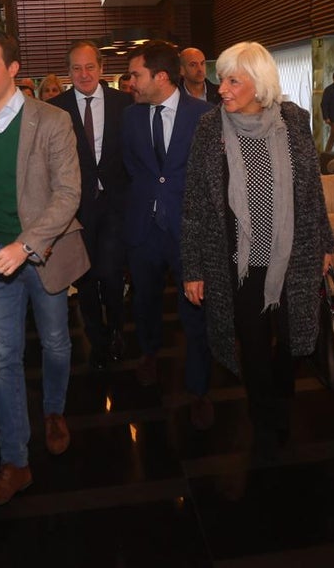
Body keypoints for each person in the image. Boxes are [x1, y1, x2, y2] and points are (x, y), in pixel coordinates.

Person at [180, 42, 334, 461]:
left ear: (259, 83)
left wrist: (324, 242)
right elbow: (194, 201)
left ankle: (280, 399)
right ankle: (264, 417)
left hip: (294, 257)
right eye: (222, 79)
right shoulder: (211, 128)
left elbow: (313, 188)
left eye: (233, 80)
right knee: (251, 343)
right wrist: (193, 267)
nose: (222, 89)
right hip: (237, 263)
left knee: (292, 342)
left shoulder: (295, 121)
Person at [0, 30, 89, 507]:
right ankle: (14, 461)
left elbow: (68, 193)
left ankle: (54, 410)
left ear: (14, 68)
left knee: (56, 342)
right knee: (4, 357)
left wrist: (26, 244)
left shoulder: (52, 120)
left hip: (43, 252)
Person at [121, 39, 214, 429]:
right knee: (145, 301)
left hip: (188, 229)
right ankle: (149, 353)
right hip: (144, 228)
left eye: (136, 74)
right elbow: (133, 169)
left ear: (161, 76)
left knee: (196, 312)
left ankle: (199, 390)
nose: (130, 82)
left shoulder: (206, 115)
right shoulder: (130, 118)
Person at [50, 40, 133, 370]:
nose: (84, 74)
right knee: (83, 277)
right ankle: (96, 339)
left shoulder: (124, 103)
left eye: (90, 67)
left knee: (111, 273)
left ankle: (116, 329)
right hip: (74, 207)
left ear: (101, 68)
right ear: (68, 71)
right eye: (76, 68)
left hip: (114, 202)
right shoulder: (56, 108)